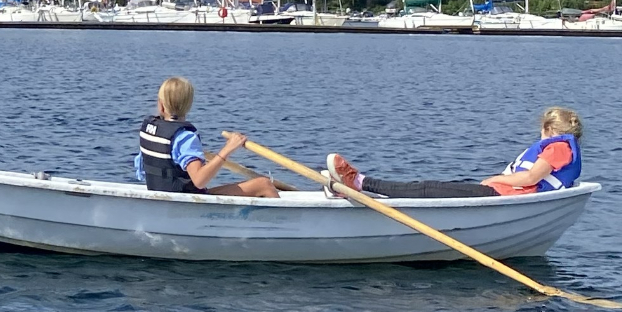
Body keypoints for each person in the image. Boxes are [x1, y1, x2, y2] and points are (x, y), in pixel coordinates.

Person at [326, 107, 583, 199]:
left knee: (427, 189)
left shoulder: (558, 147)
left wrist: (495, 179)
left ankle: (360, 183)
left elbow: (529, 179)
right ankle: (350, 188)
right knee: (429, 189)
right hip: (500, 195)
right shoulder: (561, 147)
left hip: (499, 194)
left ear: (549, 129)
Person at [135, 77, 279, 197]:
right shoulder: (185, 138)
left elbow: (142, 170)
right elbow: (199, 181)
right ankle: (283, 229)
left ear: (161, 105)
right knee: (264, 185)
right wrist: (228, 149)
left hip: (161, 196)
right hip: (186, 201)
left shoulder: (149, 130)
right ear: (188, 105)